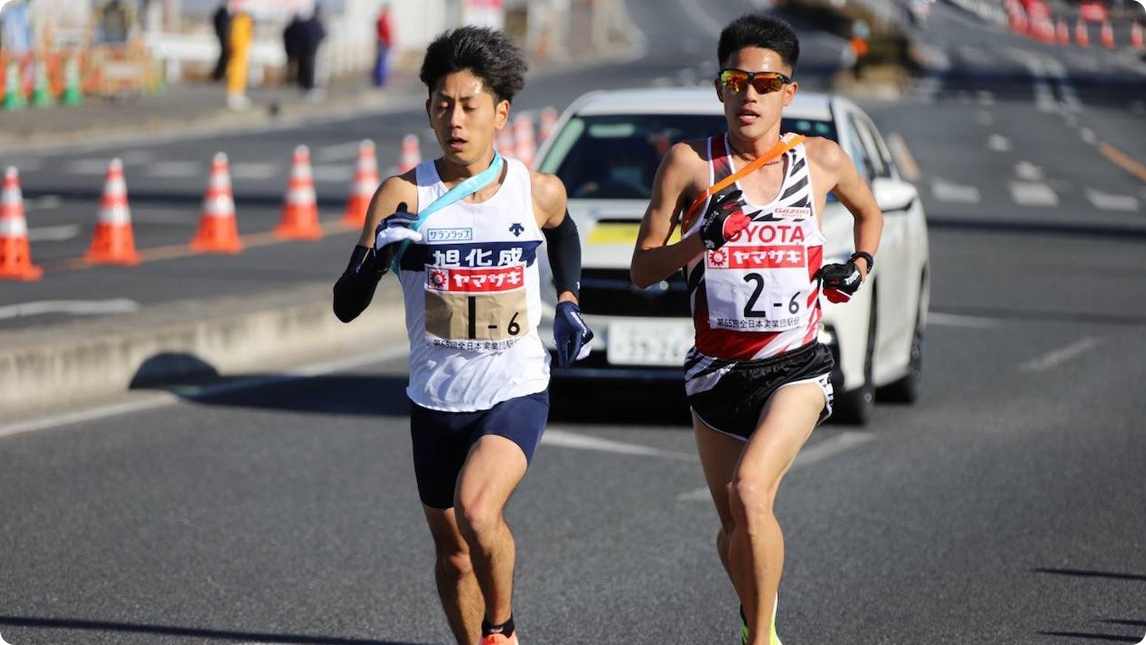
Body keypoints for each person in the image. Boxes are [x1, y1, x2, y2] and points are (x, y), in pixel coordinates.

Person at [332, 25, 593, 645]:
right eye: (443, 105)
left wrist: (568, 300)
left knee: (478, 510)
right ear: (427, 108)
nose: (455, 119)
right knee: (452, 553)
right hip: (435, 398)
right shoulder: (402, 194)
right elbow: (345, 307)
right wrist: (376, 259)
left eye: (470, 105)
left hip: (514, 387)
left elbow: (562, 230)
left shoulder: (536, 190)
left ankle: (502, 627)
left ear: (500, 112)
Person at [629, 13, 882, 645]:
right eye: (736, 81)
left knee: (750, 492)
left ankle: (762, 638)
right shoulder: (690, 165)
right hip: (716, 370)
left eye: (766, 84)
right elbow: (642, 269)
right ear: (719, 87)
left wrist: (857, 265)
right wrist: (699, 240)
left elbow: (869, 213)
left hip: (795, 366)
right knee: (732, 530)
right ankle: (755, 616)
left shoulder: (819, 159)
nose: (750, 95)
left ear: (788, 92)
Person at [225, 10, 252, 110]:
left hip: (241, 49)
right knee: (238, 66)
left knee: (240, 66)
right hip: (239, 50)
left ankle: (237, 92)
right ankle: (235, 93)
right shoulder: (240, 20)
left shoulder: (244, 19)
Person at [299, 6, 326, 98]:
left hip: (305, 49)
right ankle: (309, 87)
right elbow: (323, 34)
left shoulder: (307, 23)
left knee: (306, 68)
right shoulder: (317, 23)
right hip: (313, 49)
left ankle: (305, 86)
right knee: (310, 69)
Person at [374, 3, 394, 87]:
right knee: (382, 62)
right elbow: (385, 32)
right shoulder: (382, 19)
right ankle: (380, 81)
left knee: (382, 62)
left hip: (383, 43)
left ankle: (381, 81)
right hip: (383, 43)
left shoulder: (383, 19)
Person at [211, 1, 230, 82]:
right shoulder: (223, 12)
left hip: (223, 36)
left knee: (225, 55)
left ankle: (219, 75)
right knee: (225, 55)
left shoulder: (222, 11)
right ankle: (218, 75)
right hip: (224, 36)